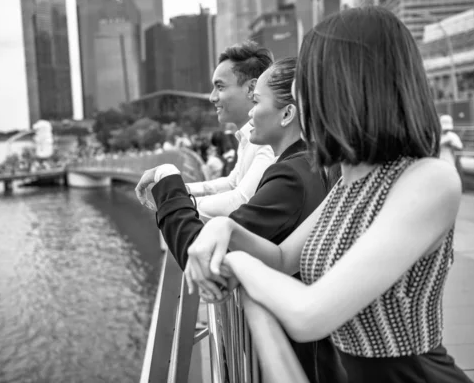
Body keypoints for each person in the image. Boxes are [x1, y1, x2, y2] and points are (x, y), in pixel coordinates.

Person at [185, 7, 472, 383]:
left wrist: (237, 264)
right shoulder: (347, 182)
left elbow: (309, 315)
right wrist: (225, 230)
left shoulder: (428, 180)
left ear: (346, 85)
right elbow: (284, 259)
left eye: (308, 81)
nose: (300, 97)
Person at [142, 57, 343, 382]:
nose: (250, 116)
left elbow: (204, 256)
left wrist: (168, 184)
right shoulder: (319, 165)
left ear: (287, 113)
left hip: (299, 361)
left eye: (257, 101)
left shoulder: (291, 177)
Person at [135, 41, 276, 221]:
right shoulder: (246, 137)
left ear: (251, 88)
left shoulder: (268, 139)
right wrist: (183, 191)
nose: (212, 97)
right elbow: (232, 183)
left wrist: (175, 202)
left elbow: (241, 201)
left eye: (220, 87)